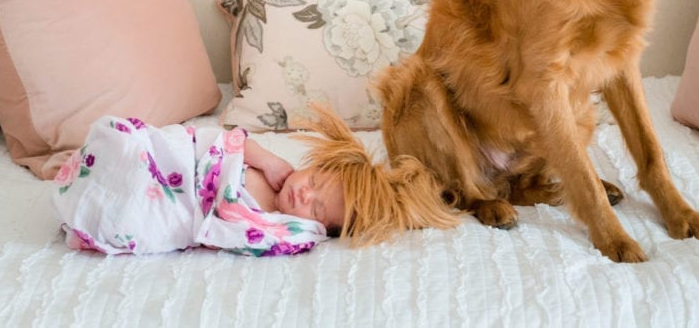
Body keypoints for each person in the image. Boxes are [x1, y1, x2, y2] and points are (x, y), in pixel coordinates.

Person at [53, 103, 458, 257]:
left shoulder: (291, 229)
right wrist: (265, 159)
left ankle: (102, 207)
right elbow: (223, 142)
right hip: (179, 165)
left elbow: (247, 236)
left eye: (316, 207)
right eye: (315, 179)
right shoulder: (276, 167)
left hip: (183, 206)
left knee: (135, 220)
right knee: (124, 144)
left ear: (321, 226)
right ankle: (108, 169)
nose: (304, 193)